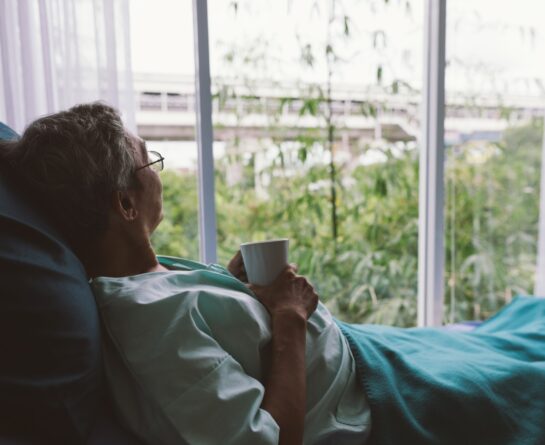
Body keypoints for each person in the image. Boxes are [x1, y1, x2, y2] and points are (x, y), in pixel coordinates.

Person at [3, 103, 545, 445]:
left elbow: (210, 329)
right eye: (151, 162)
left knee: (524, 331)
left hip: (364, 355)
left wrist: (236, 287)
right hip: (367, 400)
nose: (158, 175)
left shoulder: (145, 280)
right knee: (524, 380)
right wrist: (287, 320)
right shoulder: (147, 324)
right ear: (124, 205)